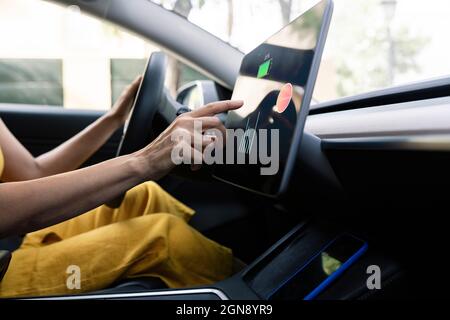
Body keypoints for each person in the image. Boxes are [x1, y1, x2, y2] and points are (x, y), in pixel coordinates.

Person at [0, 76, 244, 297]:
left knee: (144, 196)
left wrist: (114, 118)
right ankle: (253, 292)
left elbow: (30, 173)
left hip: (11, 240)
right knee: (161, 238)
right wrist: (144, 161)